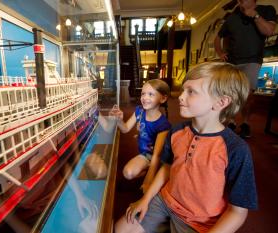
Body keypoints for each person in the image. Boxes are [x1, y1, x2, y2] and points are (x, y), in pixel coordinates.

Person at [115, 62, 258, 233]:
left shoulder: (236, 149)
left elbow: (238, 211)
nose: (181, 97)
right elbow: (167, 167)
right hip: (165, 201)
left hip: (199, 220)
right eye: (184, 90)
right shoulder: (176, 131)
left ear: (221, 102)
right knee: (120, 229)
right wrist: (145, 199)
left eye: (191, 92)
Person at [214, 0, 277, 138]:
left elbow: (269, 30)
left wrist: (254, 15)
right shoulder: (232, 16)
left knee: (247, 94)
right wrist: (220, 53)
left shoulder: (266, 10)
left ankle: (245, 123)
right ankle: (231, 121)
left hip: (252, 60)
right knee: (230, 93)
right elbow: (217, 37)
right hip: (232, 61)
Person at [110, 79, 171, 193]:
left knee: (143, 180)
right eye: (143, 94)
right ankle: (153, 171)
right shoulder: (139, 111)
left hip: (158, 157)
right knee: (127, 173)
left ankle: (158, 171)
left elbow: (156, 156)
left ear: (163, 98)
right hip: (145, 155)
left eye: (151, 94)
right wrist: (119, 120)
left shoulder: (163, 125)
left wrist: (147, 183)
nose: (145, 98)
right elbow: (125, 129)